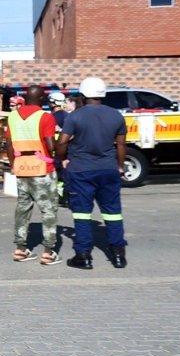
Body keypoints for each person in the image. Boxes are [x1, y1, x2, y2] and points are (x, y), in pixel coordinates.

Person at [55, 77, 128, 270]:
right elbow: (121, 144)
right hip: (109, 169)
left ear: (83, 94)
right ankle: (119, 255)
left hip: (81, 170)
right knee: (113, 214)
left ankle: (83, 256)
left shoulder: (75, 116)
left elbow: (62, 142)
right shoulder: (116, 115)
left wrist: (62, 159)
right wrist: (120, 166)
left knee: (82, 214)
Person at [6, 85, 61, 266]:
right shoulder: (46, 117)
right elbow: (51, 146)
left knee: (23, 208)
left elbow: (9, 144)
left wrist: (13, 165)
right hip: (43, 169)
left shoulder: (12, 117)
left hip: (22, 168)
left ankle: (20, 249)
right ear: (42, 100)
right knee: (48, 210)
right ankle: (48, 252)